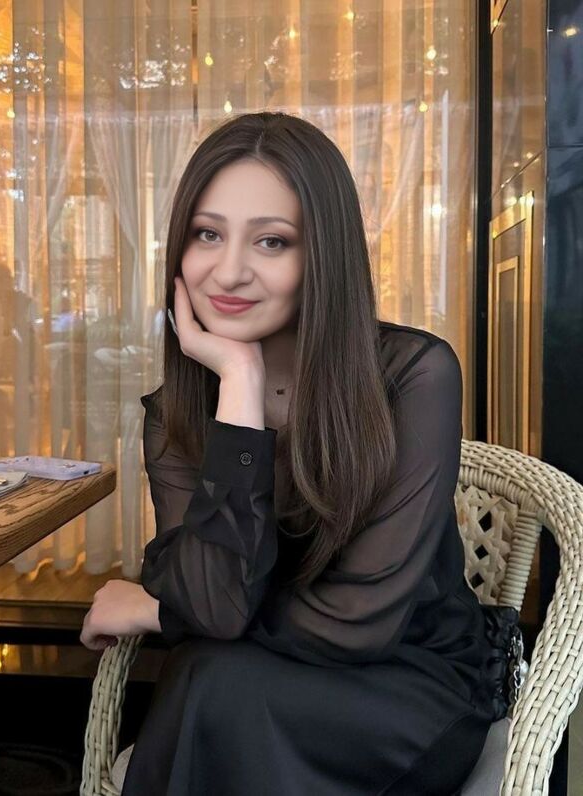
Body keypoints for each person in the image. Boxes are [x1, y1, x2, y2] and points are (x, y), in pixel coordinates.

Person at [80, 111, 497, 795]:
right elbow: (214, 603)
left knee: (214, 686)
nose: (229, 271)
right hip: (252, 679)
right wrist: (239, 388)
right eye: (207, 234)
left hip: (405, 683)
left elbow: (356, 625)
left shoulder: (413, 375)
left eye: (272, 241)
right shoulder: (177, 412)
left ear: (321, 257)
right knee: (212, 681)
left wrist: (159, 611)